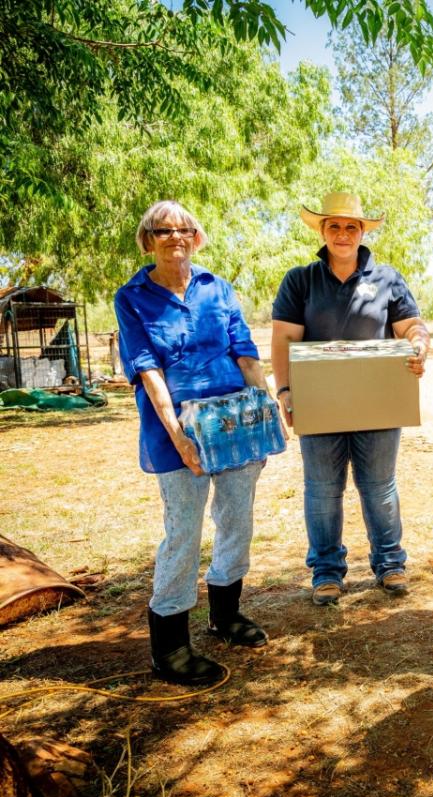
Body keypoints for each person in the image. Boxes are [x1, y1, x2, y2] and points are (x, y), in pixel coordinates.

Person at [115, 200, 273, 686]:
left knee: (236, 520)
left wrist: (268, 413)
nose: (175, 237)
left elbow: (244, 352)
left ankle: (225, 616)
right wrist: (179, 437)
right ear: (148, 240)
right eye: (163, 230)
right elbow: (148, 371)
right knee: (183, 530)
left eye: (184, 230)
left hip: (234, 426)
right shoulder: (132, 296)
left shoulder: (216, 287)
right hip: (175, 431)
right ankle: (170, 647)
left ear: (197, 238)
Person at [271, 192, 429, 606]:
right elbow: (285, 339)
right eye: (334, 226)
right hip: (318, 403)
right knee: (322, 489)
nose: (343, 234)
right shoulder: (299, 280)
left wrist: (419, 345)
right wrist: (285, 390)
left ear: (362, 233)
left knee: (379, 487)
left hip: (376, 402)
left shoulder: (388, 278)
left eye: (351, 227)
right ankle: (326, 572)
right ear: (323, 231)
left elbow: (412, 327)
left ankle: (390, 564)